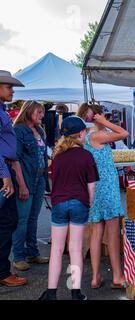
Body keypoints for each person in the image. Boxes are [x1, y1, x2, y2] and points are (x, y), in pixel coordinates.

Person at [39, 116, 99, 300]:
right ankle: (75, 293)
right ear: (81, 133)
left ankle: (51, 293)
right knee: (75, 248)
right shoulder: (87, 156)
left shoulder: (57, 157)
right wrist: (88, 205)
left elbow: (55, 182)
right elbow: (91, 187)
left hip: (59, 204)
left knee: (57, 248)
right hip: (79, 203)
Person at [77, 103, 128, 289]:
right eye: (103, 114)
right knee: (113, 234)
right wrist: (105, 122)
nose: (106, 117)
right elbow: (124, 133)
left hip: (95, 188)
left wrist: (103, 122)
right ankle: (117, 275)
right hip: (106, 188)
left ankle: (95, 277)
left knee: (97, 233)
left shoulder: (86, 137)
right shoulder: (96, 135)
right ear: (97, 116)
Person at [12, 101, 50, 271]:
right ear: (28, 112)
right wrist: (21, 184)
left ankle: (32, 252)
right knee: (22, 219)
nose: (41, 116)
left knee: (33, 218)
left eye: (42, 113)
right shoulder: (19, 130)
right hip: (26, 178)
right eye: (38, 112)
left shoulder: (39, 130)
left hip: (40, 178)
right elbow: (15, 160)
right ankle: (19, 256)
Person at [0, 70, 27, 287]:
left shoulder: (2, 110)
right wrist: (5, 175)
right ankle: (2, 272)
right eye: (9, 87)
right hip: (2, 172)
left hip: (5, 169)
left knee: (8, 221)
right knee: (7, 221)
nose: (12, 90)